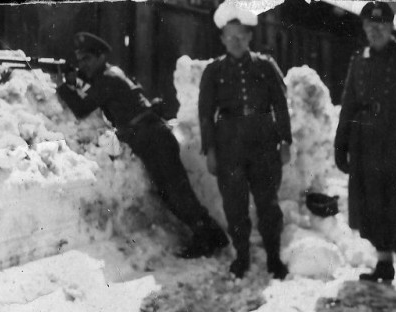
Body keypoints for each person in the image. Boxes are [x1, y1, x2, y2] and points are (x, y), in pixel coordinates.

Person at [56, 32, 228, 259]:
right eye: (80, 60)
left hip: (152, 137)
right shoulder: (109, 74)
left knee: (177, 194)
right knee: (172, 193)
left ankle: (207, 237)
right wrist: (75, 80)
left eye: (87, 59)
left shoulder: (107, 78)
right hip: (151, 136)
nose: (82, 65)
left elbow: (81, 108)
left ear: (99, 57)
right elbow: (93, 91)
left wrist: (63, 86)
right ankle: (213, 235)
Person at [334, 2, 396, 292]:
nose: (374, 31)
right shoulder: (359, 59)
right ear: (363, 27)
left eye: (380, 26)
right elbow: (349, 105)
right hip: (366, 145)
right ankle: (383, 264)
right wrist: (341, 144)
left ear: (392, 27)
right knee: (372, 206)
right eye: (369, 26)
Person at [198, 3, 292, 279]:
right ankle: (242, 256)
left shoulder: (266, 66)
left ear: (250, 37)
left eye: (241, 36)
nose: (236, 41)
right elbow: (205, 114)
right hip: (229, 147)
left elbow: (281, 105)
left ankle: (274, 257)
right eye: (230, 36)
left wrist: (285, 141)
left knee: (268, 204)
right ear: (222, 39)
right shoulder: (213, 72)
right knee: (235, 205)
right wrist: (210, 151)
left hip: (264, 143)